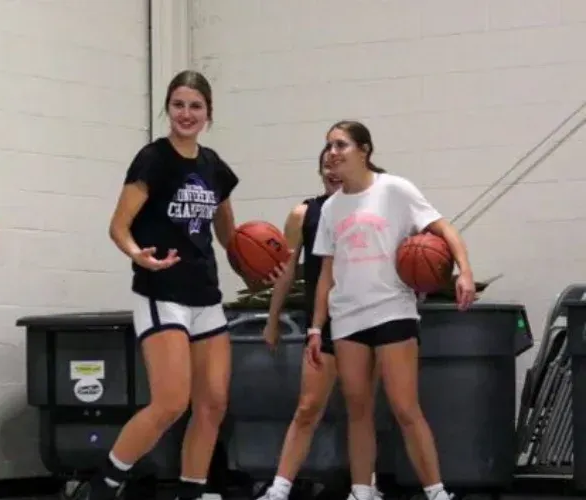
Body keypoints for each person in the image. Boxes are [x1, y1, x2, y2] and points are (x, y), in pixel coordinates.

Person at [75, 69, 273, 500]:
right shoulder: (153, 159)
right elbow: (118, 225)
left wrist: (247, 267)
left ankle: (192, 490)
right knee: (170, 402)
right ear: (168, 108)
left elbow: (227, 230)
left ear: (208, 113)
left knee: (214, 402)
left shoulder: (214, 166)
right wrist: (136, 253)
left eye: (195, 106)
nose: (186, 113)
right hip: (160, 291)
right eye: (179, 104)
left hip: (205, 294)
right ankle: (105, 482)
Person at [309, 120, 474, 500]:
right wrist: (317, 328)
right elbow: (325, 276)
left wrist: (464, 271)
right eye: (329, 145)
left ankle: (436, 493)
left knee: (404, 407)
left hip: (392, 310)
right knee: (358, 410)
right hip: (348, 318)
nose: (333, 152)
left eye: (341, 145)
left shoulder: (395, 189)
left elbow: (444, 229)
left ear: (364, 150)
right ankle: (362, 491)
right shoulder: (331, 209)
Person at [256, 150, 383, 500]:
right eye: (325, 166)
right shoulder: (304, 214)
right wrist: (272, 319)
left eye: (338, 163)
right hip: (321, 322)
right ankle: (279, 489)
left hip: (363, 319)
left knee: (361, 408)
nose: (332, 170)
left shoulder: (370, 210)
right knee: (308, 406)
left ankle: (364, 489)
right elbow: (285, 272)